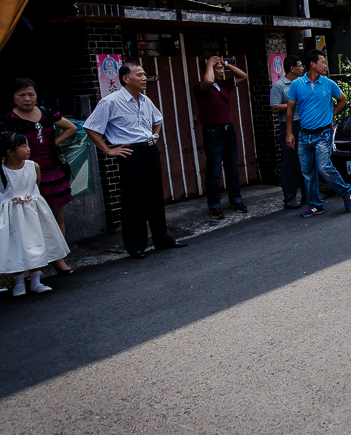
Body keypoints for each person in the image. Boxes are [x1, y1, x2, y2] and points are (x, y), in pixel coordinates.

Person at [83, 62, 187, 259]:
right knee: (134, 200)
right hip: (130, 153)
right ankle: (136, 245)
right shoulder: (110, 102)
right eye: (139, 75)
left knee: (155, 196)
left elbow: (158, 119)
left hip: (149, 150)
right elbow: (91, 127)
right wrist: (108, 150)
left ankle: (162, 238)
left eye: (144, 74)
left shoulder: (145, 100)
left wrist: (154, 136)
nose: (144, 78)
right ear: (125, 78)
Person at [1, 79, 76, 275]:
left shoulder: (47, 112)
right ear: (13, 97)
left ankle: (59, 260)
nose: (27, 99)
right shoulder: (7, 120)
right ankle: (30, 267)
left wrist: (54, 143)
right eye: (21, 95)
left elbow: (71, 128)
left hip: (52, 169)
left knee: (57, 217)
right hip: (26, 174)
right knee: (27, 225)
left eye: (31, 94)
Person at [285, 50, 351, 216]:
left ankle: (346, 191)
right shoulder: (296, 85)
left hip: (323, 134)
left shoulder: (328, 84)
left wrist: (331, 116)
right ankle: (315, 204)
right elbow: (289, 110)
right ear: (313, 64)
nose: (325, 65)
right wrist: (289, 132)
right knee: (308, 173)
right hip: (304, 135)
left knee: (324, 167)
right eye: (322, 62)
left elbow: (342, 100)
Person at [1, 132, 70, 296]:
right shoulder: (2, 170)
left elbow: (35, 186)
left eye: (27, 145)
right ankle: (18, 281)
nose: (28, 149)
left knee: (35, 242)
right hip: (11, 213)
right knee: (15, 245)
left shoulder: (33, 166)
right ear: (10, 151)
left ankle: (36, 280)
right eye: (23, 146)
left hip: (31, 210)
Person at [194, 55, 249, 219]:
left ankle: (236, 199)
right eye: (217, 68)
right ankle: (214, 204)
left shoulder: (224, 84)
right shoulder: (200, 86)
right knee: (214, 171)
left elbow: (243, 76)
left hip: (228, 131)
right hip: (213, 133)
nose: (221, 71)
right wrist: (210, 65)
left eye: (220, 68)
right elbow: (208, 82)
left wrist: (226, 64)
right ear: (207, 69)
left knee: (232, 168)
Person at [269, 54, 305, 209]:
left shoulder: (302, 83)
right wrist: (292, 103)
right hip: (288, 126)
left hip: (303, 124)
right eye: (300, 65)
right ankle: (289, 197)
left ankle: (308, 194)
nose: (302, 68)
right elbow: (275, 107)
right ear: (292, 68)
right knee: (289, 161)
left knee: (305, 160)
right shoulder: (279, 86)